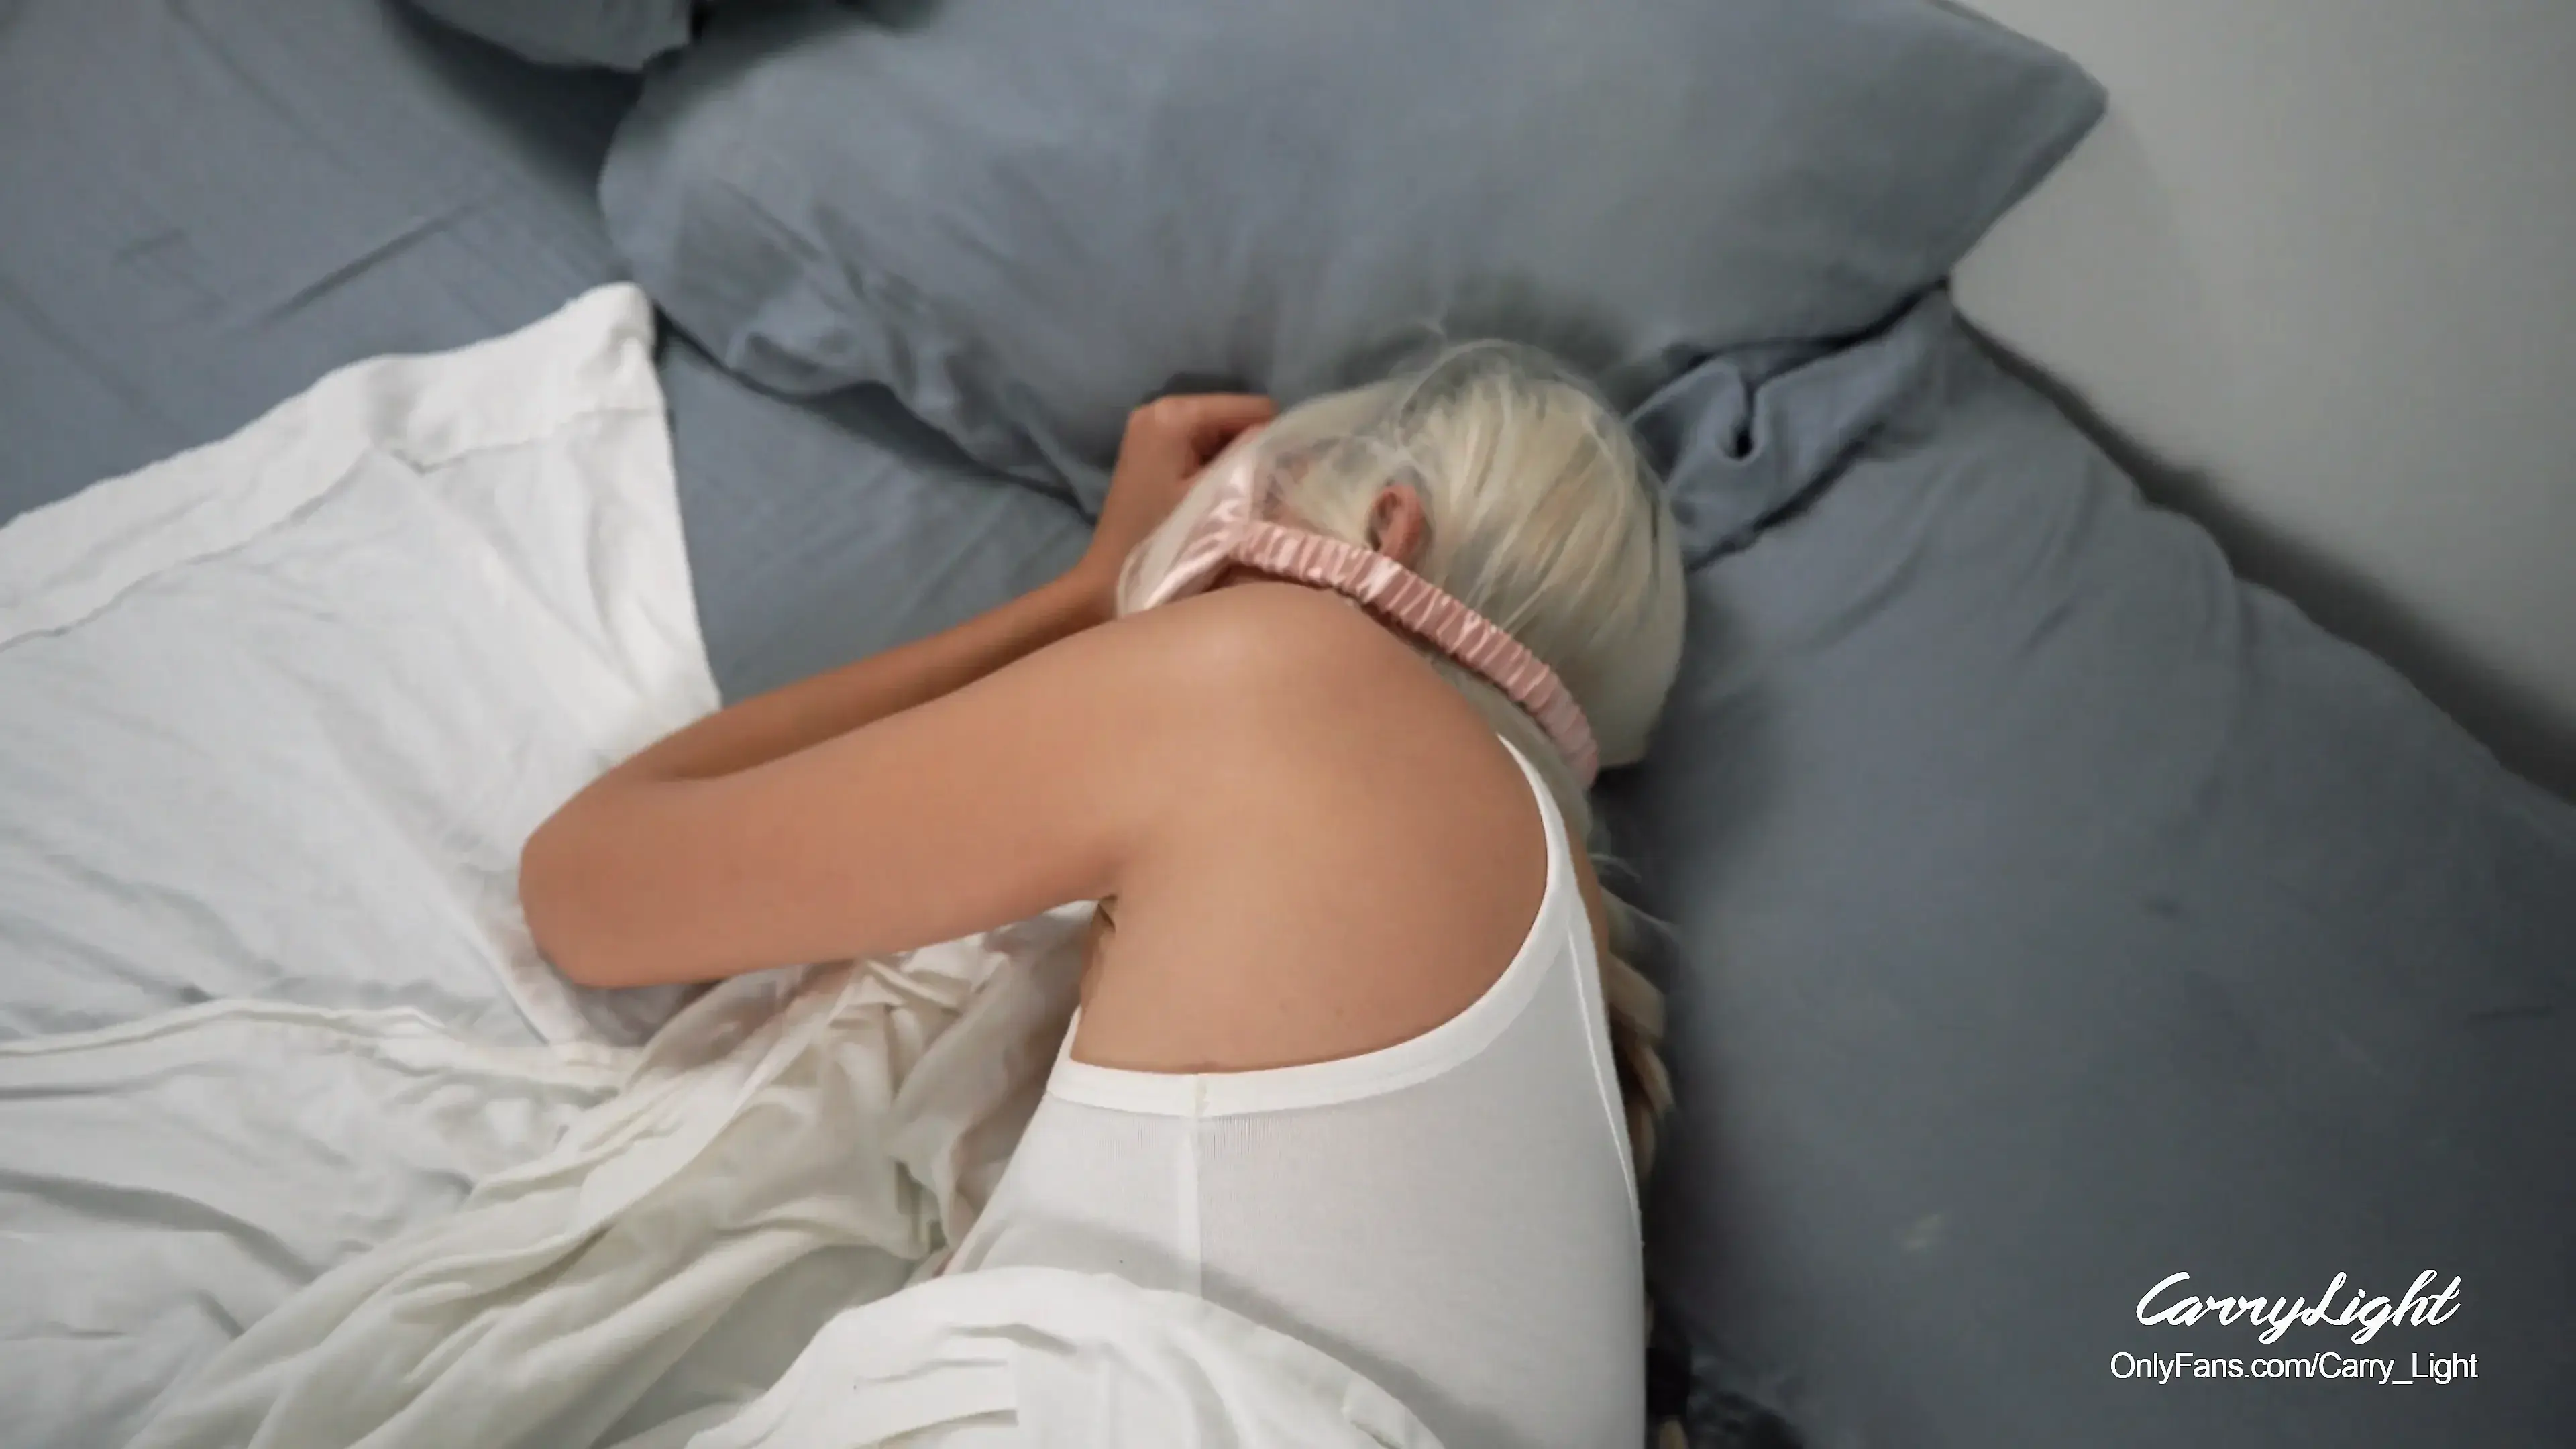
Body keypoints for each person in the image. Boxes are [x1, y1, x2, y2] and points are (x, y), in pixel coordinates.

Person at [520, 344, 1690, 1447]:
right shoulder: (1585, 993)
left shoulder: (1287, 683)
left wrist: (1090, 595)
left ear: (1390, 528)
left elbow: (589, 887)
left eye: (1266, 487)